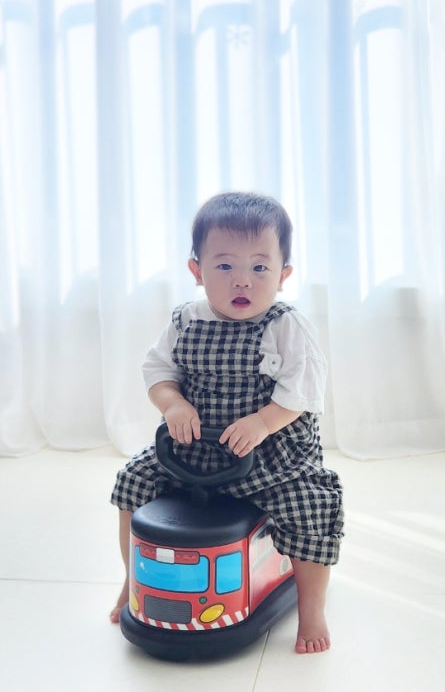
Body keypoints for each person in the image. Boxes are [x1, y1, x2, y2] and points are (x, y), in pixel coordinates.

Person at [109, 191, 344, 653]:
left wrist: (263, 422)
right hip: (192, 450)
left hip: (272, 454)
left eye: (259, 267)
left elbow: (302, 392)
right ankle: (131, 581)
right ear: (196, 271)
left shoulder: (286, 326)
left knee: (312, 507)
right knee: (132, 481)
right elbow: (157, 371)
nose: (242, 280)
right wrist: (173, 405)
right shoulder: (185, 320)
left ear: (283, 275)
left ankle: (312, 608)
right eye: (224, 266)